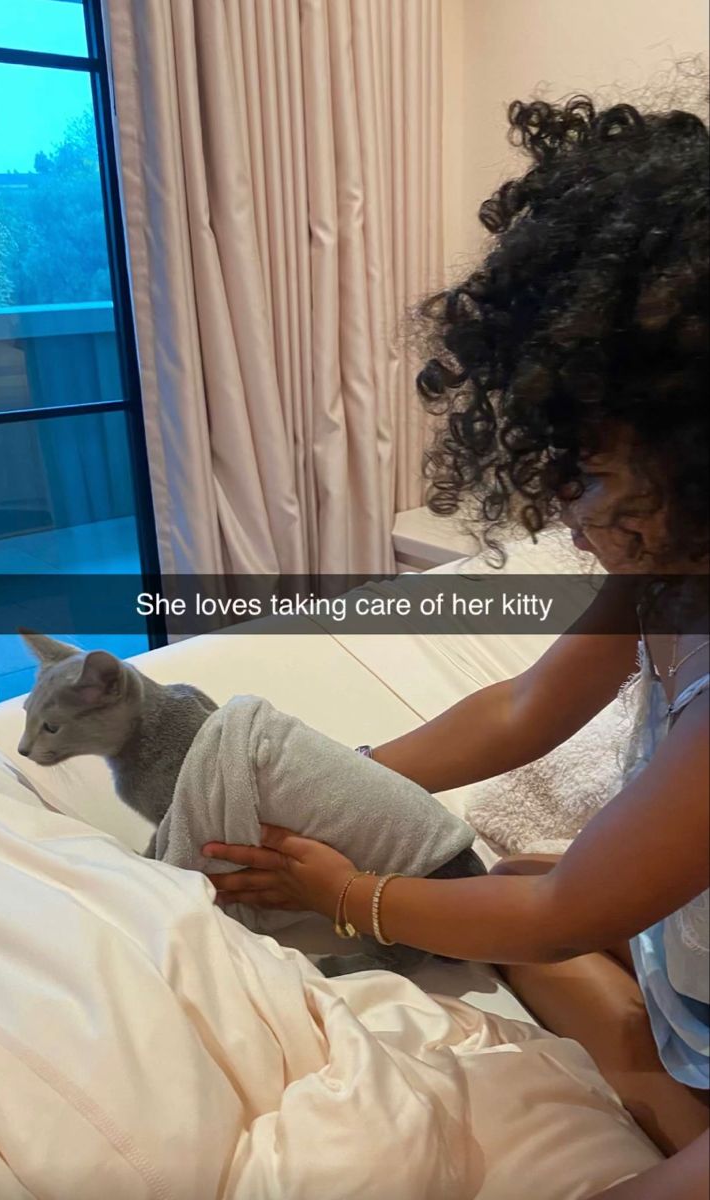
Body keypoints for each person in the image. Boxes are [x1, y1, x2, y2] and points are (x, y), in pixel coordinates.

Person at [202, 92, 709, 1198]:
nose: (570, 516)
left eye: (601, 479)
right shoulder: (660, 581)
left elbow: (567, 912)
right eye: (561, 467)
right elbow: (520, 710)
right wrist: (345, 781)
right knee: (486, 873)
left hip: (670, 984)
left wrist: (350, 898)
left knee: (522, 904)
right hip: (680, 961)